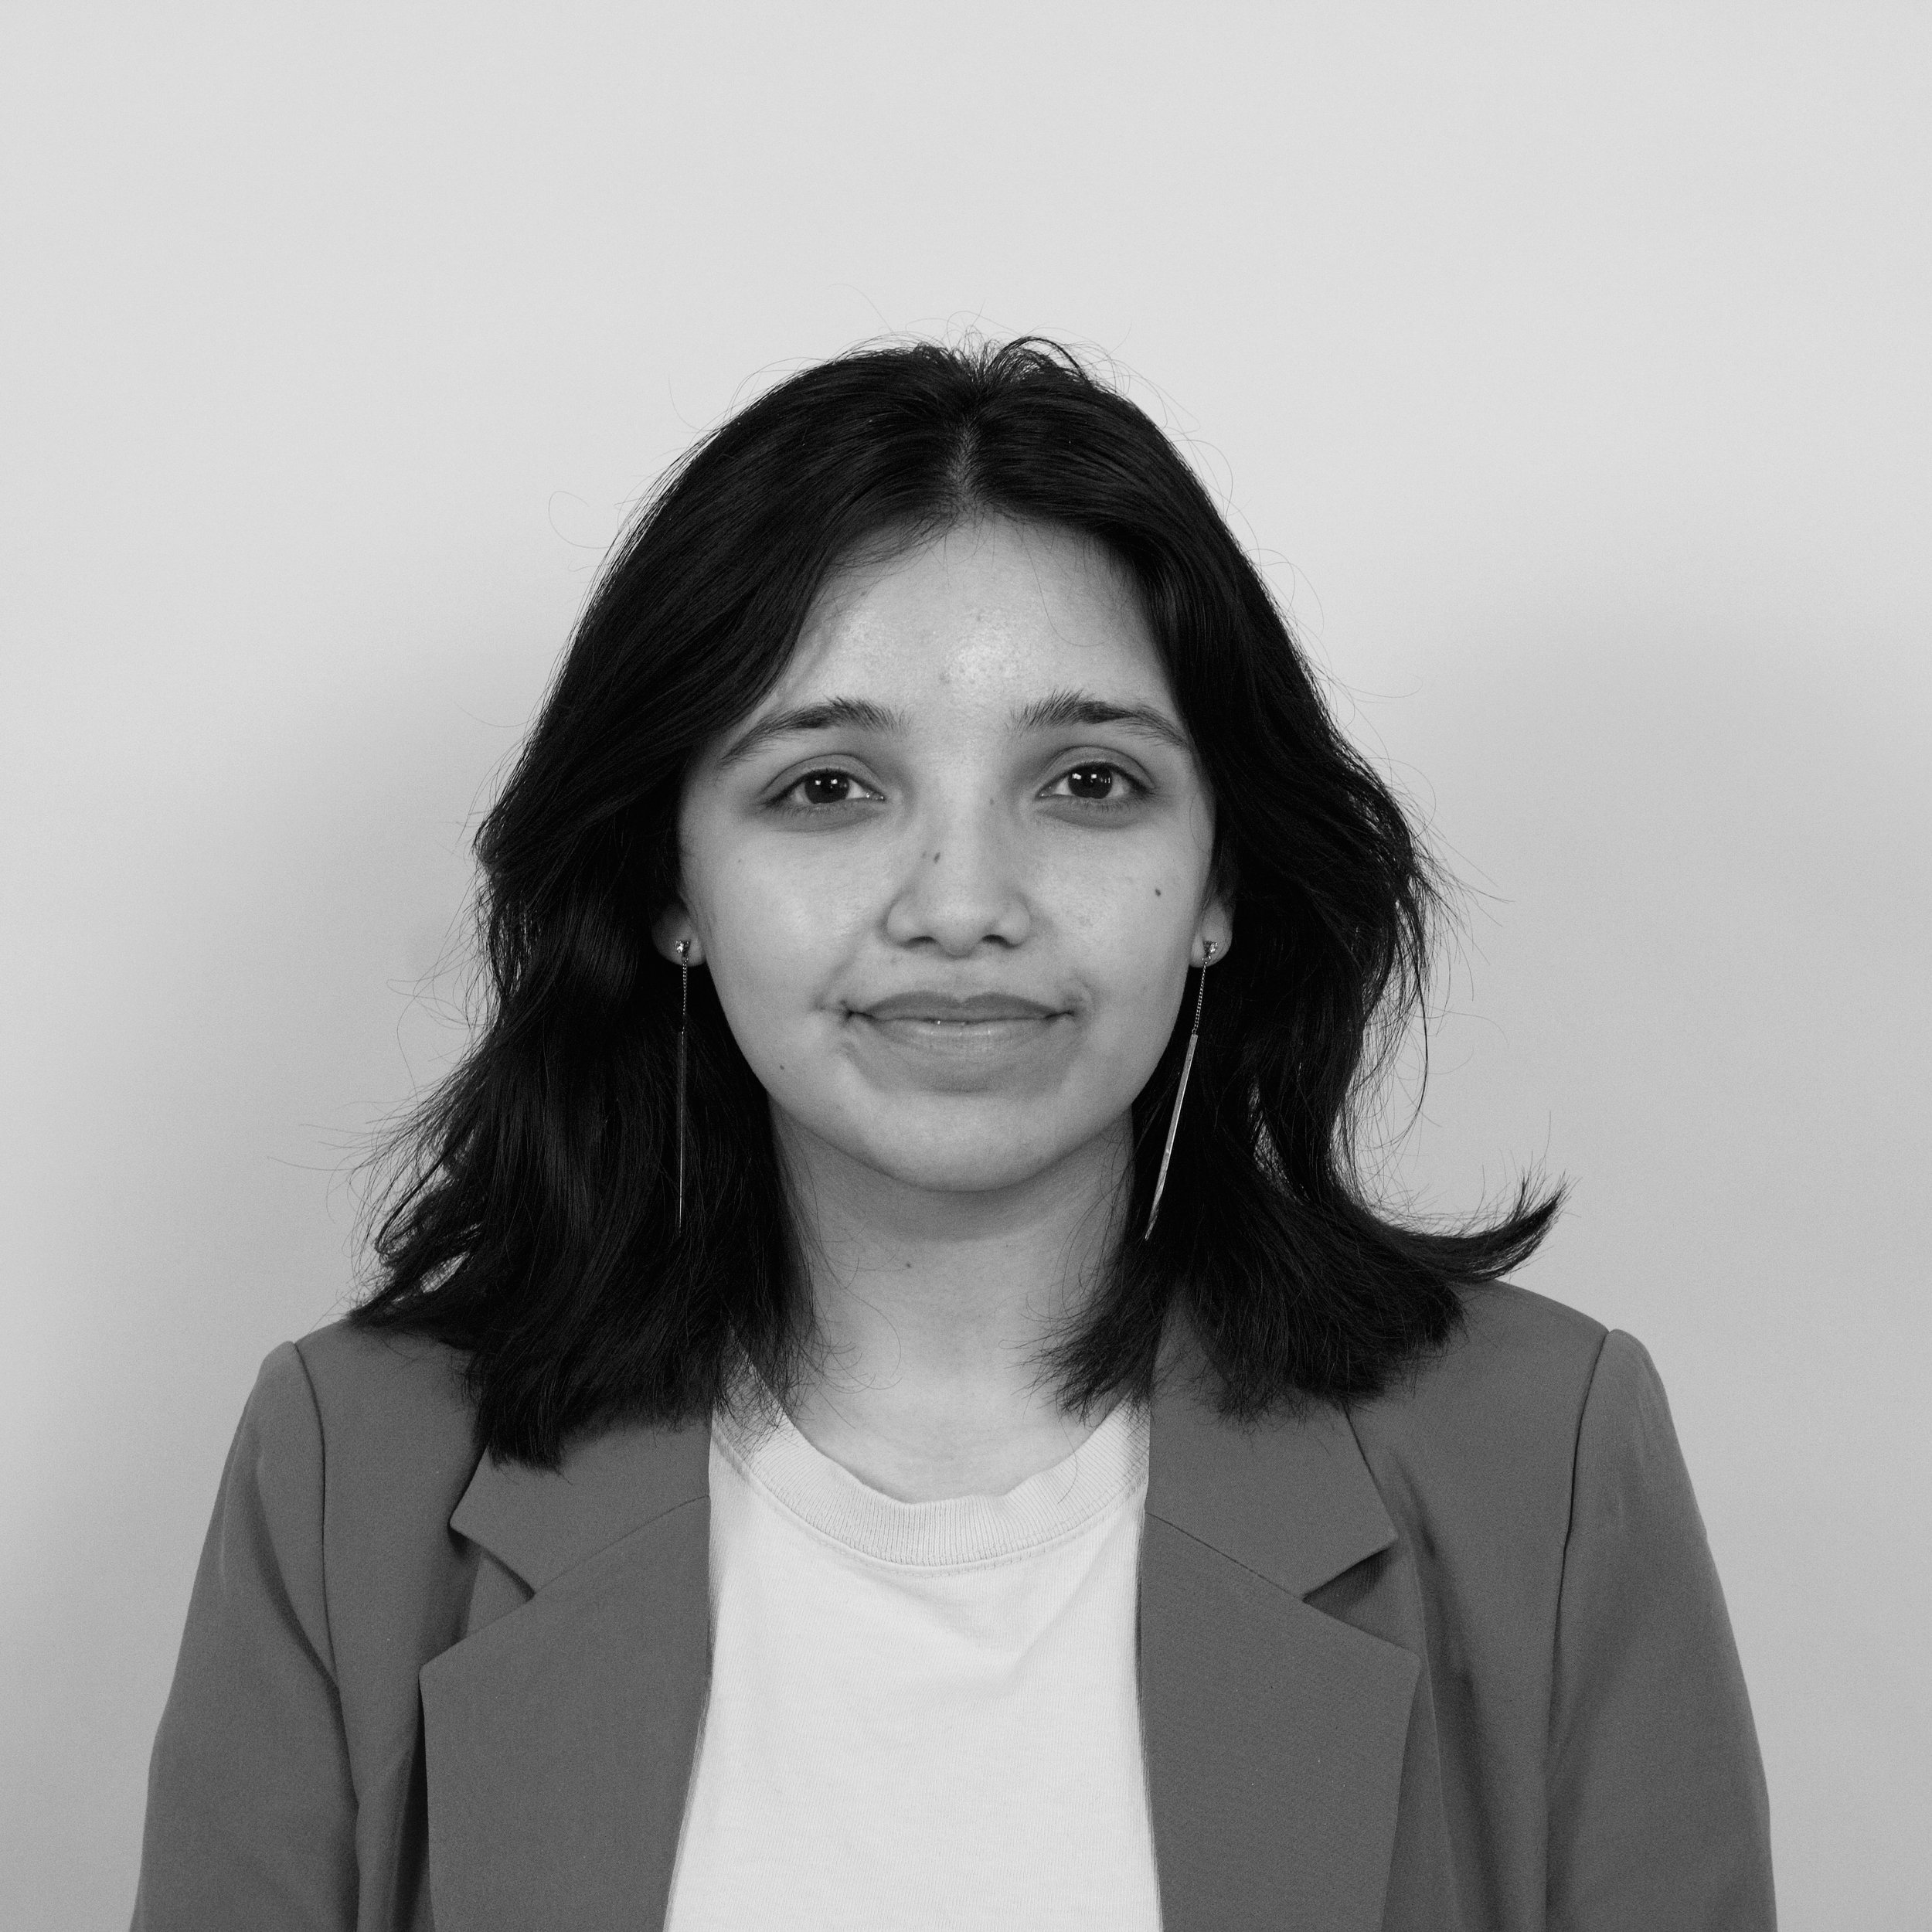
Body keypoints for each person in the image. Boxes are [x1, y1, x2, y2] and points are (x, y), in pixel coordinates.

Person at [131, 338, 1775, 1930]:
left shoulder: (1541, 1458)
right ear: (666, 888)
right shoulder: (352, 1467)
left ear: (1218, 882)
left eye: (1085, 781)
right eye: (828, 788)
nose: (964, 904)